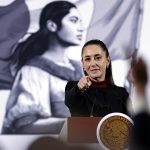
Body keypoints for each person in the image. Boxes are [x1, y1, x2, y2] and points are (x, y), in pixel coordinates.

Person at [2, 1, 84, 134]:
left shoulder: (82, 69)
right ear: (52, 25)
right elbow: (24, 125)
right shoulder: (33, 71)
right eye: (73, 21)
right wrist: (78, 126)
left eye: (80, 21)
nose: (81, 28)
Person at [65, 39, 129, 117]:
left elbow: (130, 124)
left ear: (108, 61)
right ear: (83, 64)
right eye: (88, 59)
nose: (93, 64)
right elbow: (70, 101)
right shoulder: (74, 88)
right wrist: (78, 88)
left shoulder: (121, 94)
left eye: (98, 58)